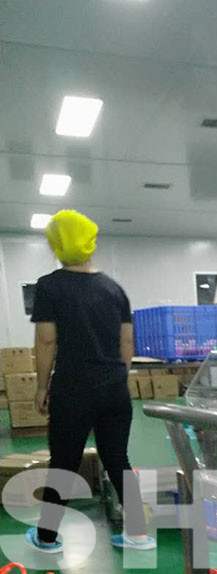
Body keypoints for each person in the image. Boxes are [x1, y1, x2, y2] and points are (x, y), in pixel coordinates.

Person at [26, 210, 154, 553]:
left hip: (72, 389)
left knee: (64, 462)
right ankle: (138, 534)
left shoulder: (49, 286)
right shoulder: (114, 289)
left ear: (57, 244)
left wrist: (42, 386)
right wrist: (116, 378)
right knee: (118, 459)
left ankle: (47, 537)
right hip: (114, 389)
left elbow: (46, 340)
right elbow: (127, 342)